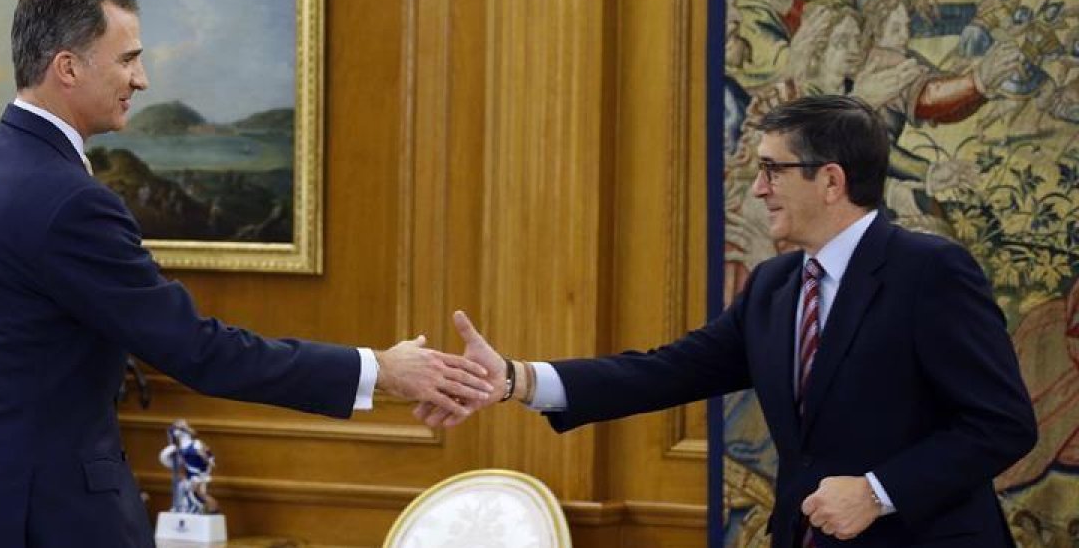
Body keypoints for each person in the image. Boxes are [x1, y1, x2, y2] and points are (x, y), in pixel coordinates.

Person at [0, 0, 492, 548]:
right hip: (50, 520)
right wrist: (379, 370)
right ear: (68, 67)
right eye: (128, 59)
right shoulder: (70, 201)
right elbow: (199, 350)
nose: (142, 79)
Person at [421, 96, 1038, 547]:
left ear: (831, 181)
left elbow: (1002, 425)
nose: (759, 189)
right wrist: (517, 379)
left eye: (774, 170)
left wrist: (877, 490)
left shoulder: (930, 272)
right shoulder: (775, 285)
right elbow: (668, 371)